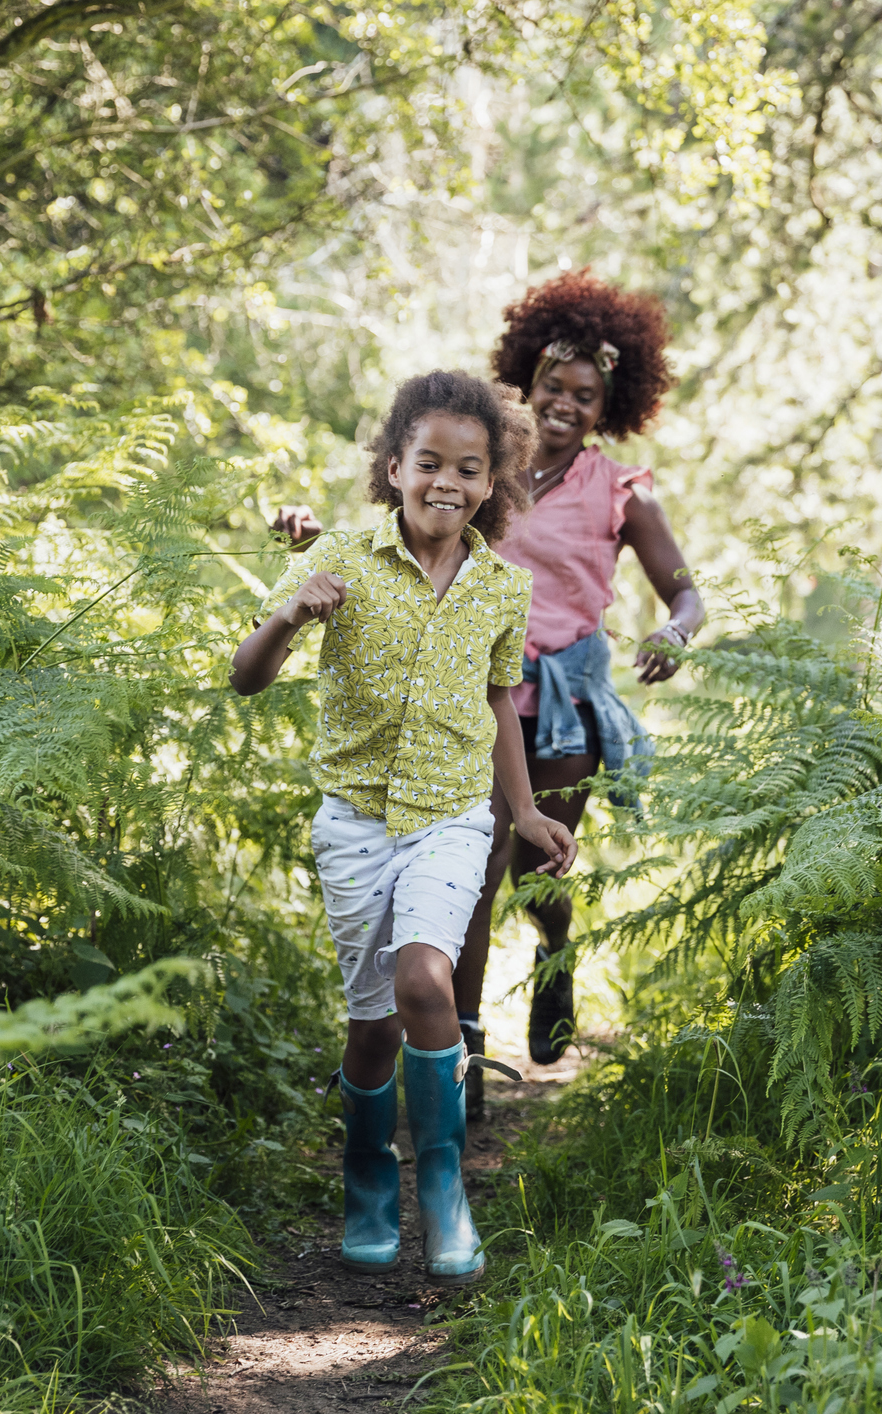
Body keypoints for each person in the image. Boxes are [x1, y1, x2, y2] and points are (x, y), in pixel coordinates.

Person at [274, 271, 703, 1117]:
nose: (565, 406)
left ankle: (556, 956)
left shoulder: (623, 491)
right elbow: (392, 531)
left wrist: (673, 631)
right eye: (552, 388)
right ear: (526, 384)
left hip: (565, 705)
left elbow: (683, 592)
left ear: (606, 405)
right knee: (472, 874)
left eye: (584, 395)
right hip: (470, 700)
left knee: (535, 875)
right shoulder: (479, 467)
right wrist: (310, 540)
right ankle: (462, 1055)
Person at [233, 370, 578, 1284]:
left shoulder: (503, 586)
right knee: (374, 1027)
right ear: (394, 467)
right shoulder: (335, 558)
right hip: (353, 823)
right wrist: (289, 613)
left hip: (453, 819)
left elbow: (502, 705)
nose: (445, 483)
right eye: (428, 463)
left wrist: (525, 811)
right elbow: (247, 675)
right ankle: (365, 1181)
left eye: (468, 470)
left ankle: (443, 1188)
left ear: (490, 485)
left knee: (428, 978)